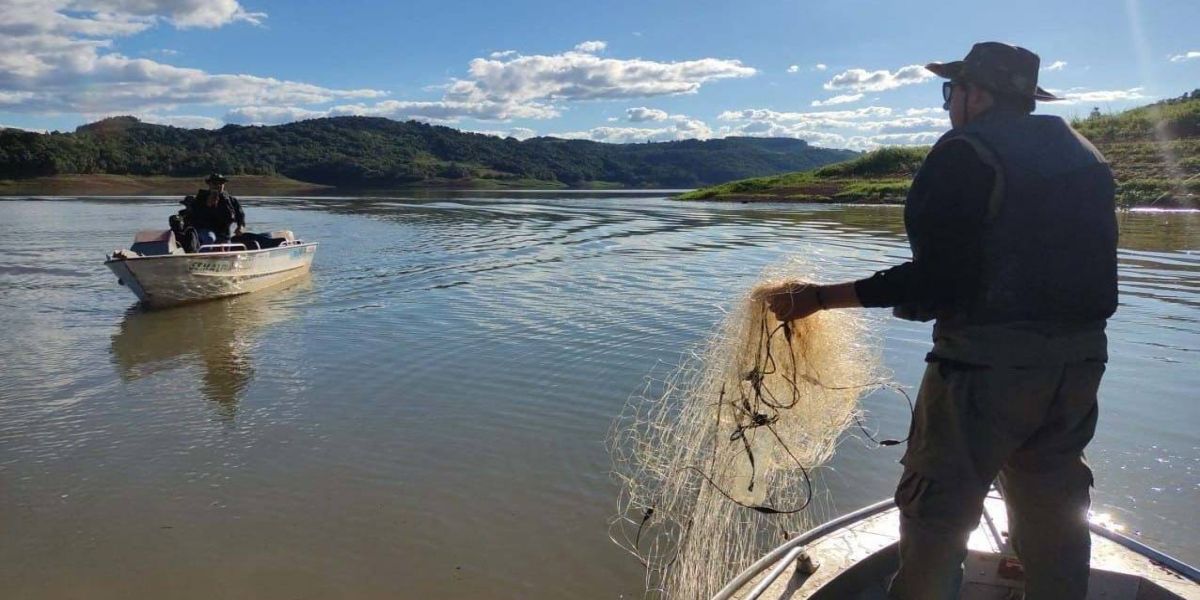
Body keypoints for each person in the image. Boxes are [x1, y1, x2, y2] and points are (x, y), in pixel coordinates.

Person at [761, 42, 1117, 599]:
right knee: (1054, 508)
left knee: (937, 514)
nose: (950, 103)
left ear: (978, 94)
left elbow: (937, 282)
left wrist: (818, 298)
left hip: (984, 371)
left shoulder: (966, 153)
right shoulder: (1081, 153)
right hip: (1078, 367)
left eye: (952, 91)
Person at [184, 173, 246, 246]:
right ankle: (204, 255)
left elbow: (240, 216)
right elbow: (193, 216)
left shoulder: (231, 200)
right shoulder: (200, 199)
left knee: (225, 245)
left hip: (223, 234)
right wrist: (207, 206)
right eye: (215, 183)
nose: (218, 185)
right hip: (204, 231)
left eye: (221, 183)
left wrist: (240, 227)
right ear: (209, 184)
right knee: (209, 238)